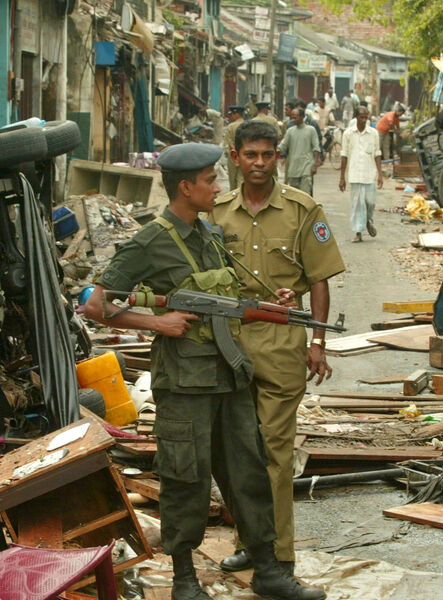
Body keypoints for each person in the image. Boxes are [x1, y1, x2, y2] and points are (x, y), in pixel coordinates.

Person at [84, 143, 326, 600]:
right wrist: (157, 322)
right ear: (185, 187)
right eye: (211, 181)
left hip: (229, 376)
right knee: (185, 477)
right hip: (185, 384)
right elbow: (98, 305)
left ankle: (268, 570)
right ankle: (184, 580)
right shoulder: (150, 241)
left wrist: (273, 304)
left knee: (249, 472)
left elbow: (231, 302)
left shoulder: (210, 235)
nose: (219, 187)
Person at [212, 120, 345, 579]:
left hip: (282, 345)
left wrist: (319, 341)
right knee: (237, 453)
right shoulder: (217, 212)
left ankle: (279, 556)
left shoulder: (302, 209)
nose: (260, 163)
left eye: (268, 155)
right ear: (235, 157)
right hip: (228, 344)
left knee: (275, 453)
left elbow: (320, 278)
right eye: (251, 155)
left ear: (278, 157)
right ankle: (249, 545)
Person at [339, 106, 382, 242]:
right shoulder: (348, 134)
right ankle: (358, 232)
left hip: (370, 174)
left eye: (366, 117)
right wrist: (342, 178)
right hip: (355, 173)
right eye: (362, 117)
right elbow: (344, 155)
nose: (364, 120)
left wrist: (380, 174)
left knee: (370, 202)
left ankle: (368, 220)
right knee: (357, 204)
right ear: (356, 117)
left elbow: (377, 153)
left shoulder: (373, 133)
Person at [278, 108, 321, 195]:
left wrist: (315, 165)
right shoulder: (290, 131)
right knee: (294, 196)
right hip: (293, 169)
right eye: (292, 117)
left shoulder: (311, 130)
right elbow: (282, 146)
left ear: (302, 117)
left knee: (305, 195)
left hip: (306, 168)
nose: (293, 119)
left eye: (295, 117)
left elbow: (316, 148)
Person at [224, 105, 246, 189]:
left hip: (233, 155)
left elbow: (228, 143)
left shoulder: (231, 126)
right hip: (245, 154)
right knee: (242, 177)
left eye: (232, 114)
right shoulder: (247, 125)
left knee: (232, 179)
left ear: (237, 114)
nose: (231, 117)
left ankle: (234, 197)